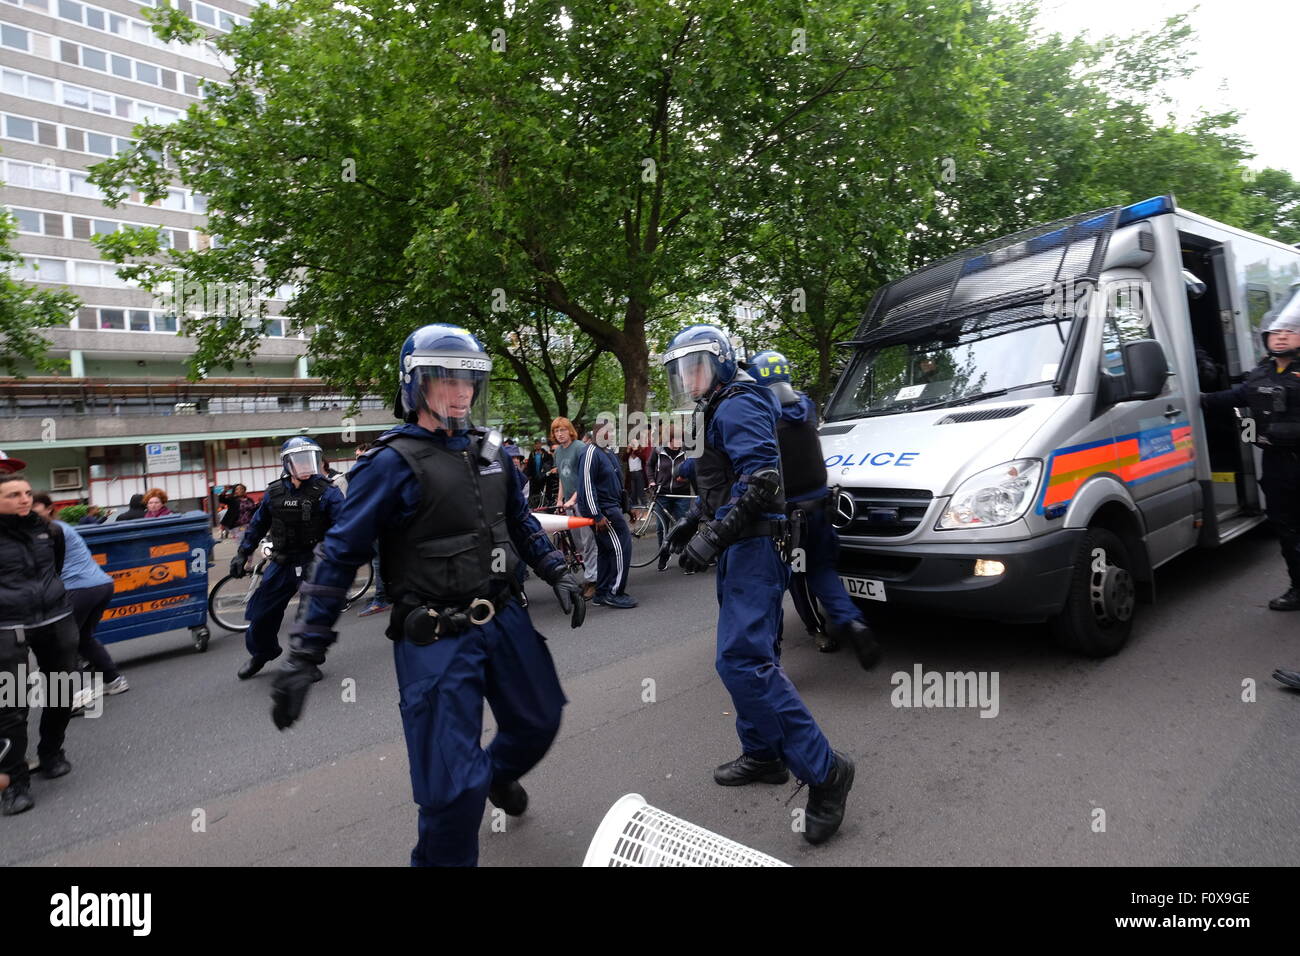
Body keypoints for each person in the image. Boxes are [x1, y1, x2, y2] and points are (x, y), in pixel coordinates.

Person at [275, 323, 586, 867]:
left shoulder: (492, 452)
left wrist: (556, 570)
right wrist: (304, 652)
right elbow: (338, 555)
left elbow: (517, 520)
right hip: (436, 634)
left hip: (505, 618)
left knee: (539, 720)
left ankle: (495, 777)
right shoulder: (389, 464)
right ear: (415, 384)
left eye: (468, 378)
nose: (461, 390)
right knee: (451, 791)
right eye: (446, 377)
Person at [660, 325, 854, 846]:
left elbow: (762, 479)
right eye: (683, 370)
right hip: (740, 546)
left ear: (720, 362)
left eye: (697, 365)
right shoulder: (721, 404)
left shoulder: (739, 403)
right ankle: (765, 754)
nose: (690, 377)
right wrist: (694, 521)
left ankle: (826, 770)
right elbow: (724, 482)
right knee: (754, 652)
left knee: (742, 660)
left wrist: (714, 536)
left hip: (752, 547)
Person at [747, 350, 881, 668]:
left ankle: (775, 655)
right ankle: (853, 621)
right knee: (822, 570)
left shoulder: (760, 412)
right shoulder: (806, 405)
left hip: (787, 516)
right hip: (821, 506)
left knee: (780, 581)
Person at [1203, 296, 1300, 610]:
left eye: (1290, 331)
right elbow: (1235, 401)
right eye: (1275, 332)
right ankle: (1297, 588)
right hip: (1276, 465)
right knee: (1285, 527)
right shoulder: (1259, 375)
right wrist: (1196, 399)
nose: (1281, 336)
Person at [229, 438, 345, 679]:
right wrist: (242, 553)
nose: (305, 465)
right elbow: (257, 525)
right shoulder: (274, 493)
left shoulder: (327, 492)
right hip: (282, 562)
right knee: (261, 614)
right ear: (287, 463)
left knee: (310, 615)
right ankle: (262, 653)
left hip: (315, 562)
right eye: (299, 460)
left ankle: (308, 661)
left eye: (310, 459)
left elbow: (345, 525)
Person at [0, 464, 78, 816]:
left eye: (28, 494)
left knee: (62, 691)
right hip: (8, 626)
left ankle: (51, 752)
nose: (24, 500)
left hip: (56, 618)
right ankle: (15, 782)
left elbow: (55, 568)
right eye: (14, 495)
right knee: (11, 706)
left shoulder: (49, 531)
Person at [30, 494, 129, 711]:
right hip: (100, 585)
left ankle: (78, 695)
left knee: (64, 642)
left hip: (80, 588)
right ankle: (114, 680)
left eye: (33, 507)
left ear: (48, 509)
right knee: (82, 638)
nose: (28, 510)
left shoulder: (49, 531)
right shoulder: (58, 526)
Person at [577, 425, 637, 608]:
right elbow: (587, 486)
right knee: (621, 549)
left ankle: (601, 592)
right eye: (606, 432)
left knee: (606, 551)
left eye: (612, 432)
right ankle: (614, 592)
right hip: (604, 511)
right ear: (595, 434)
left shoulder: (608, 453)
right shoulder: (590, 453)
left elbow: (617, 484)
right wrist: (597, 515)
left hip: (611, 509)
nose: (610, 435)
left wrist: (628, 507)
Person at [551, 417, 599, 599]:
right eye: (556, 431)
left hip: (583, 501)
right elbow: (563, 479)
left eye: (562, 430)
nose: (560, 434)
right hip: (570, 503)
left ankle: (593, 580)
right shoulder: (558, 452)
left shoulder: (579, 448)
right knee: (579, 544)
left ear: (569, 430)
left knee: (588, 542)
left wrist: (572, 499)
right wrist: (559, 500)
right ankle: (591, 575)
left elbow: (584, 478)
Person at [652, 425, 693, 570]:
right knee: (660, 527)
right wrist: (652, 480)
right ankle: (663, 555)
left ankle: (687, 557)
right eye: (674, 440)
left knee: (684, 525)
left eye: (680, 439)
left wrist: (686, 479)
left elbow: (694, 470)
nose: (677, 443)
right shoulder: (658, 451)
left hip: (681, 494)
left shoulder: (686, 452)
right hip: (662, 494)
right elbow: (649, 466)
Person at [525, 440, 555, 508]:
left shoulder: (545, 453)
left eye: (539, 444)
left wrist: (546, 470)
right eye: (536, 444)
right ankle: (535, 504)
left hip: (544, 476)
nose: (537, 446)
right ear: (534, 446)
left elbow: (549, 462)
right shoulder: (532, 454)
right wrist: (529, 475)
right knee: (535, 492)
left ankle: (547, 503)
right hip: (534, 477)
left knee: (546, 490)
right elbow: (529, 465)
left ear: (541, 445)